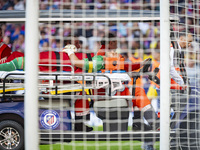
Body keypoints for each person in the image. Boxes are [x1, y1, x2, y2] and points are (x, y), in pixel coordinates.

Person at [63, 32, 160, 132]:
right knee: (137, 92)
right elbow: (78, 63)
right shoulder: (100, 59)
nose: (115, 53)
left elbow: (122, 66)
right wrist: (70, 52)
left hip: (111, 90)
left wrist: (139, 65)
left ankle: (139, 123)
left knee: (136, 91)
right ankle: (151, 123)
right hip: (106, 92)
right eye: (113, 52)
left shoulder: (106, 57)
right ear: (110, 43)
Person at [0, 34, 95, 132]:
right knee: (81, 92)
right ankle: (80, 124)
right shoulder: (64, 58)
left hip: (59, 87)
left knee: (81, 91)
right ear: (68, 44)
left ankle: (80, 124)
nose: (79, 46)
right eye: (76, 43)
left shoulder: (63, 57)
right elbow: (76, 64)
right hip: (53, 89)